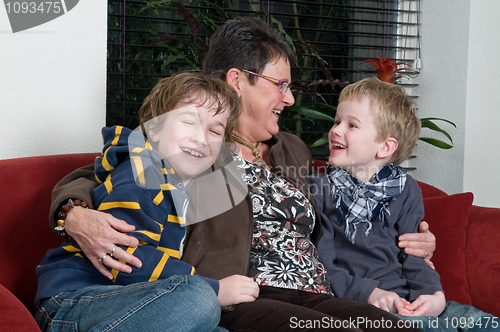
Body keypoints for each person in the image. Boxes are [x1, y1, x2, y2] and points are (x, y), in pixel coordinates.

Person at [47, 17, 434, 331]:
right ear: (238, 80)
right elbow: (108, 170)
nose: (290, 98)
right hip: (245, 294)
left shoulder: (291, 149)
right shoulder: (197, 147)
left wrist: (412, 243)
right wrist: (73, 213)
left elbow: (344, 211)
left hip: (317, 290)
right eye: (280, 84)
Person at [35, 71, 258, 332]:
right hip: (75, 299)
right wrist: (215, 288)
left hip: (128, 304)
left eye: (214, 130)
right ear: (154, 128)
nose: (201, 138)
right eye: (189, 122)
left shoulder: (181, 185)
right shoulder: (141, 172)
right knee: (199, 299)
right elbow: (123, 255)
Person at [307, 77, 497, 332]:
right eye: (337, 121)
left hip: (407, 299)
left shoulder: (405, 189)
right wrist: (369, 294)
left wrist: (434, 296)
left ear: (385, 147)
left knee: (482, 322)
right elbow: (321, 264)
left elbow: (413, 253)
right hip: (359, 304)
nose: (336, 130)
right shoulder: (318, 190)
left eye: (351, 125)